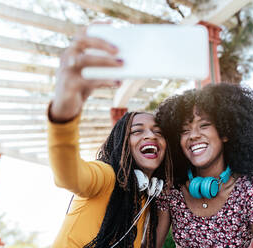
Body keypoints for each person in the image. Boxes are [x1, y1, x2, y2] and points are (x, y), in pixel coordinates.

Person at [47, 30, 172, 248]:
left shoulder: (146, 198)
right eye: (137, 131)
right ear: (122, 145)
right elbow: (68, 176)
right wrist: (63, 116)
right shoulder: (106, 177)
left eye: (158, 132)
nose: (150, 135)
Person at [155, 83, 253, 248]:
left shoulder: (252, 190)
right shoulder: (171, 191)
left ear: (225, 133)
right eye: (185, 131)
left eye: (204, 125)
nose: (193, 136)